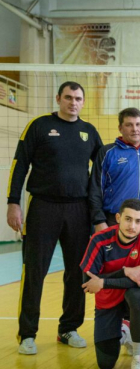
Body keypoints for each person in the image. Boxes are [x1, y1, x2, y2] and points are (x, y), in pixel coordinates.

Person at [7, 81, 103, 355]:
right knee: (34, 270)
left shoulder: (89, 132)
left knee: (77, 271)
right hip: (43, 207)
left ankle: (68, 328)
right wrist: (13, 203)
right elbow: (19, 165)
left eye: (78, 99)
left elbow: (102, 170)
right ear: (58, 98)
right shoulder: (38, 126)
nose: (73, 103)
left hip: (78, 210)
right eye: (69, 97)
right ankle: (27, 334)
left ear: (83, 102)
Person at [80, 199, 140, 369]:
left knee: (136, 294)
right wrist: (125, 271)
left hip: (136, 295)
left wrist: (104, 281)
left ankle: (139, 359)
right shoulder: (99, 240)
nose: (132, 226)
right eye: (128, 219)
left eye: (138, 221)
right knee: (105, 364)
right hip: (107, 301)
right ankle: (125, 329)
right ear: (118, 218)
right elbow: (87, 283)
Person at [89, 107, 140, 232]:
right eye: (129, 125)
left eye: (138, 124)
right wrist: (99, 220)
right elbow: (95, 188)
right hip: (115, 220)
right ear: (120, 128)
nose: (135, 129)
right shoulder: (107, 152)